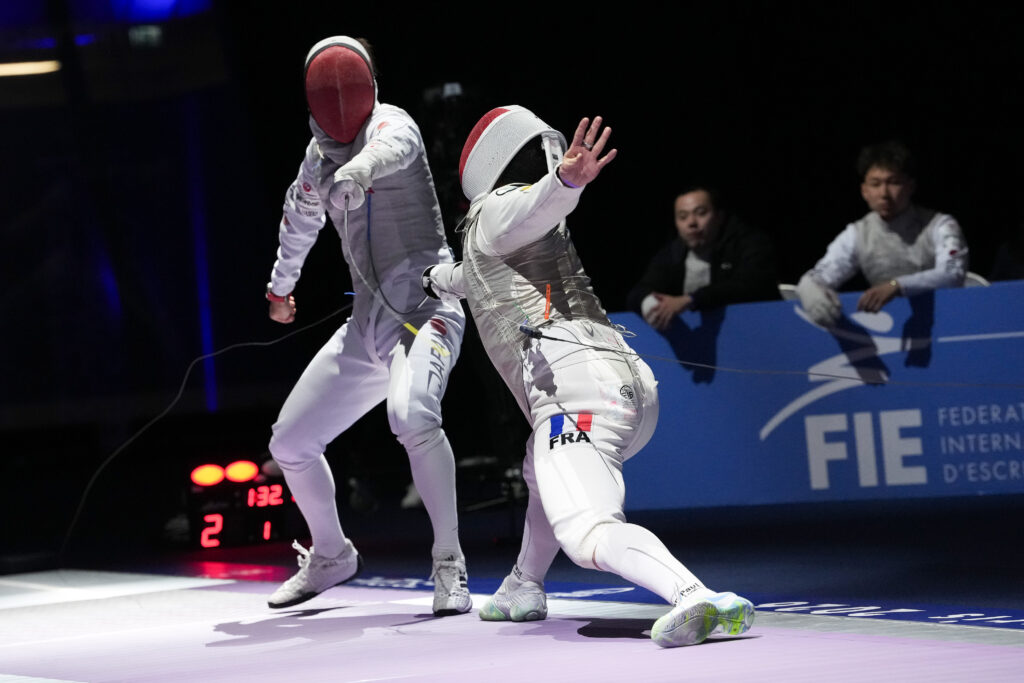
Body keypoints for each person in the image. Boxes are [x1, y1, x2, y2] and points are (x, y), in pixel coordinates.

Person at [423, 106, 754, 647]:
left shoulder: (501, 208)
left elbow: (534, 204)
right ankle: (523, 584)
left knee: (586, 531)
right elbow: (476, 275)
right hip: (627, 386)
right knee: (539, 468)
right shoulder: (501, 235)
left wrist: (564, 182)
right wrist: (435, 280)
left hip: (577, 396)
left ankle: (694, 595)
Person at [262, 36, 470, 616]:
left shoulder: (394, 125)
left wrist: (354, 173)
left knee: (412, 414)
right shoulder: (315, 158)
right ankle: (331, 555)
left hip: (425, 314)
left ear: (369, 86)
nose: (338, 102)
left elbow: (387, 151)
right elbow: (298, 221)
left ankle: (449, 562)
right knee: (290, 443)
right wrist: (280, 287)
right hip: (366, 328)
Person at [796, 140, 968, 326]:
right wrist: (809, 286)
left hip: (945, 322)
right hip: (891, 323)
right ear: (864, 191)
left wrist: (897, 285)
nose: (884, 193)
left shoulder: (941, 225)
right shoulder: (857, 233)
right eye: (875, 184)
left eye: (893, 182)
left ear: (910, 186)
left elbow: (952, 272)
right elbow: (823, 274)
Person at [627, 187, 779, 329]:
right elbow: (639, 292)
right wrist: (654, 306)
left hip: (756, 328)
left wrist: (690, 300)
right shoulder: (673, 253)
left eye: (701, 213)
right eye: (683, 217)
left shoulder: (748, 243)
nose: (691, 222)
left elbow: (750, 284)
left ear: (719, 216)